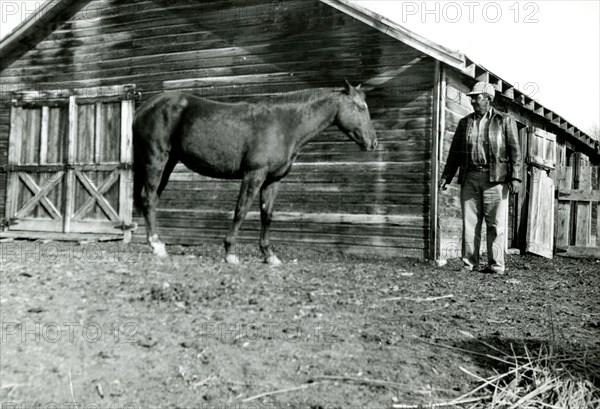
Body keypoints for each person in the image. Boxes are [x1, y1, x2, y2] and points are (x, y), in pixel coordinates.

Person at [438, 82, 522, 274]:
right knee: (470, 223)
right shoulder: (464, 123)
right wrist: (446, 177)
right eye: (472, 97)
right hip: (470, 178)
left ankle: (496, 265)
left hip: (496, 179)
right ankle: (469, 263)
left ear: (488, 99)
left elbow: (515, 152)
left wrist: (516, 178)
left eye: (476, 97)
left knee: (496, 224)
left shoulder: (504, 121)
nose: (473, 100)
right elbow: (455, 154)